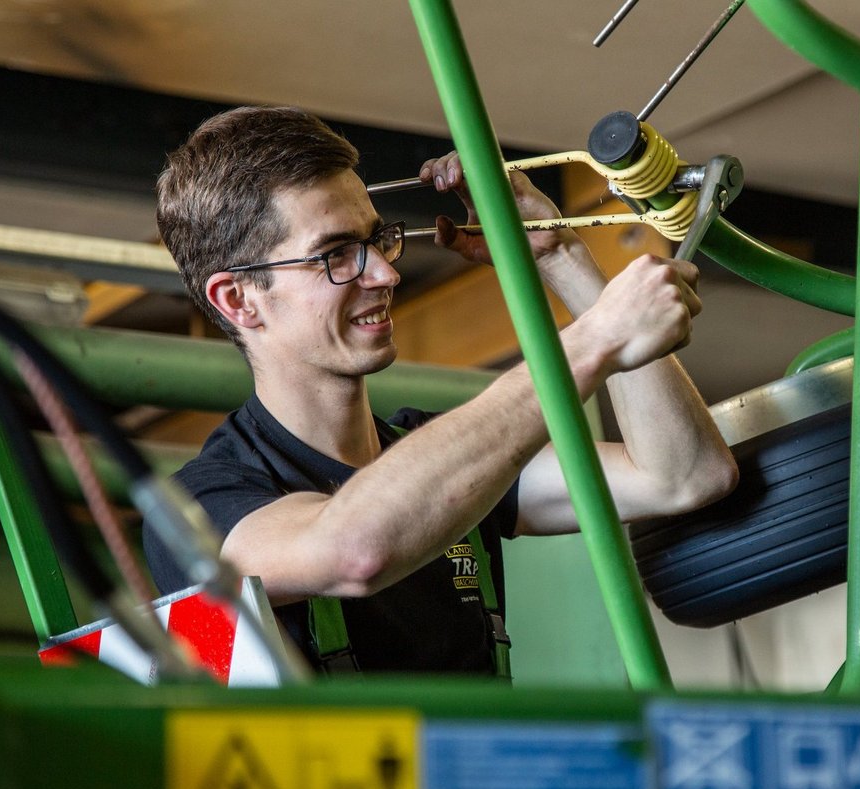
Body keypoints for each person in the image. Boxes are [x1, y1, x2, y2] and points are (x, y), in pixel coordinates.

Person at [144, 105, 737, 676]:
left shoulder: (440, 454)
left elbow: (684, 475)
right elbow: (352, 551)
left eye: (378, 239)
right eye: (336, 255)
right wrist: (596, 338)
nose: (386, 273)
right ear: (239, 300)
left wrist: (559, 255)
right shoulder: (197, 510)